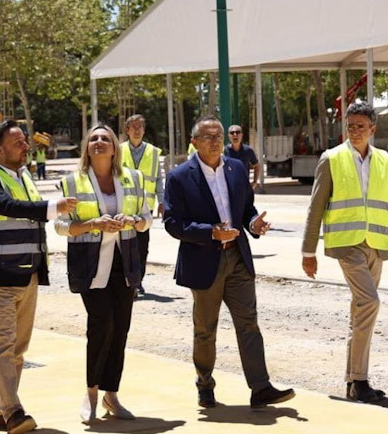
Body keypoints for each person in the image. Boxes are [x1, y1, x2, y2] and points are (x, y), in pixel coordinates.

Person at [164, 115, 294, 410]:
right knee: (205, 329)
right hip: (203, 261)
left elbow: (246, 208)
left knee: (249, 324)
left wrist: (253, 223)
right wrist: (210, 232)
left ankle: (260, 388)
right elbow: (173, 223)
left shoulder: (237, 169)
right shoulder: (179, 177)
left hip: (237, 257)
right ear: (194, 142)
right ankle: (205, 385)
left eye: (218, 136)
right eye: (207, 137)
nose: (215, 141)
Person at [0, 120, 77, 434]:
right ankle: (14, 413)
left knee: (17, 348)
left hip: (26, 273)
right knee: (4, 343)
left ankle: (0, 410)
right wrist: (51, 207)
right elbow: (5, 206)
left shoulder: (25, 176)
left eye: (25, 141)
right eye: (18, 142)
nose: (26, 145)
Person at [301, 102, 388, 404]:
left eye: (360, 126)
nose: (354, 131)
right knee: (369, 302)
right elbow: (316, 208)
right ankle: (361, 380)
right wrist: (308, 251)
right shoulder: (331, 159)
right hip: (346, 245)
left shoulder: (384, 160)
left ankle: (354, 381)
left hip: (376, 245)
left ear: (373, 129)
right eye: (350, 125)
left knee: (361, 312)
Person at [56, 124, 152, 423]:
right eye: (94, 139)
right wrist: (92, 224)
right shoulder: (72, 182)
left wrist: (132, 220)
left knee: (120, 327)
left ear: (115, 148)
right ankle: (92, 392)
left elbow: (147, 219)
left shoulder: (133, 179)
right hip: (91, 265)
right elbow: (60, 226)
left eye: (105, 139)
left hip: (125, 264)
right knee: (102, 324)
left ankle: (112, 394)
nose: (99, 143)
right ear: (87, 147)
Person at [119, 114, 164, 295]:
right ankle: (126, 280)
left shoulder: (152, 152)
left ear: (144, 130)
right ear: (127, 130)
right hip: (124, 206)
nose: (137, 130)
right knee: (125, 246)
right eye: (133, 127)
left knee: (142, 246)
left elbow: (159, 178)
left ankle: (138, 281)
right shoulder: (119, 150)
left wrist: (162, 200)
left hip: (146, 207)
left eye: (140, 127)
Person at [225, 124, 262, 192]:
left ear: (241, 135)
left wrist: (254, 182)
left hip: (244, 188)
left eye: (238, 132)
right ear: (229, 136)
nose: (235, 134)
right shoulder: (224, 151)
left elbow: (257, 165)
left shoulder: (248, 150)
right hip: (228, 188)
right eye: (232, 133)